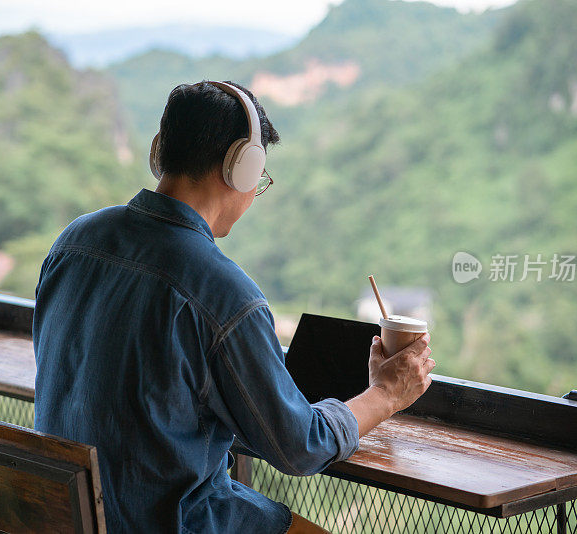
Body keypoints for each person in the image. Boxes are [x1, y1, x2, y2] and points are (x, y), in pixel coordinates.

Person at [33, 80, 435, 533]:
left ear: (158, 149)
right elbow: (299, 447)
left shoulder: (73, 243)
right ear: (243, 168)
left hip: (65, 513)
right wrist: (385, 394)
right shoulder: (223, 294)